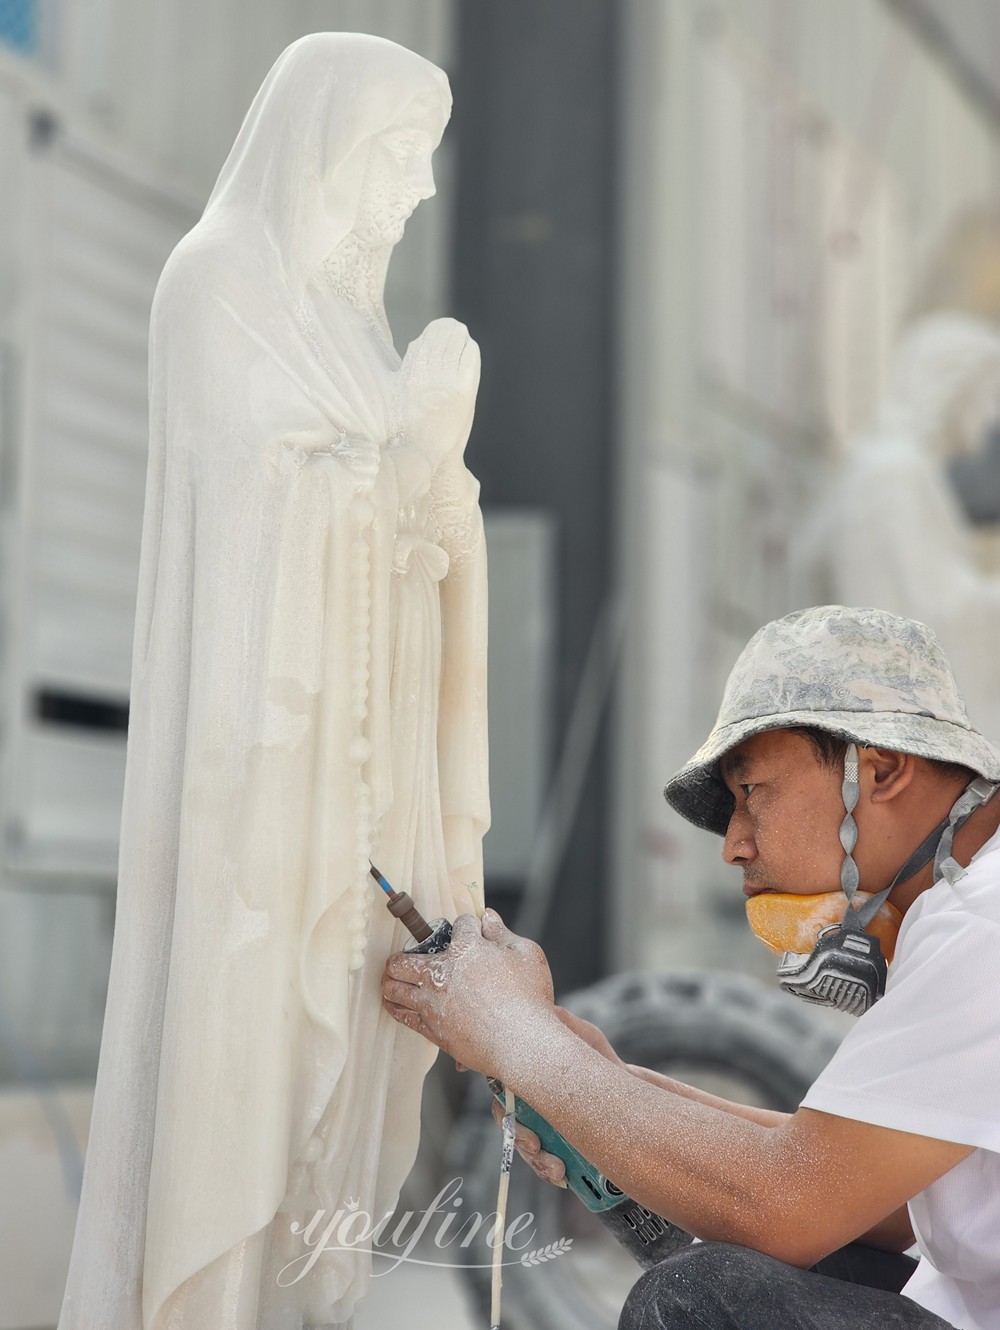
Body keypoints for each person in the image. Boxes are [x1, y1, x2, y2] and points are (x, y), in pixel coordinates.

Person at [382, 605, 1000, 1330]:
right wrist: (608, 1092)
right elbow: (880, 1203)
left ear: (883, 770)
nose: (734, 845)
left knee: (700, 1301)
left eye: (749, 793)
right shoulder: (965, 906)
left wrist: (518, 1037)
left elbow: (789, 1202)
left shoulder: (982, 926)